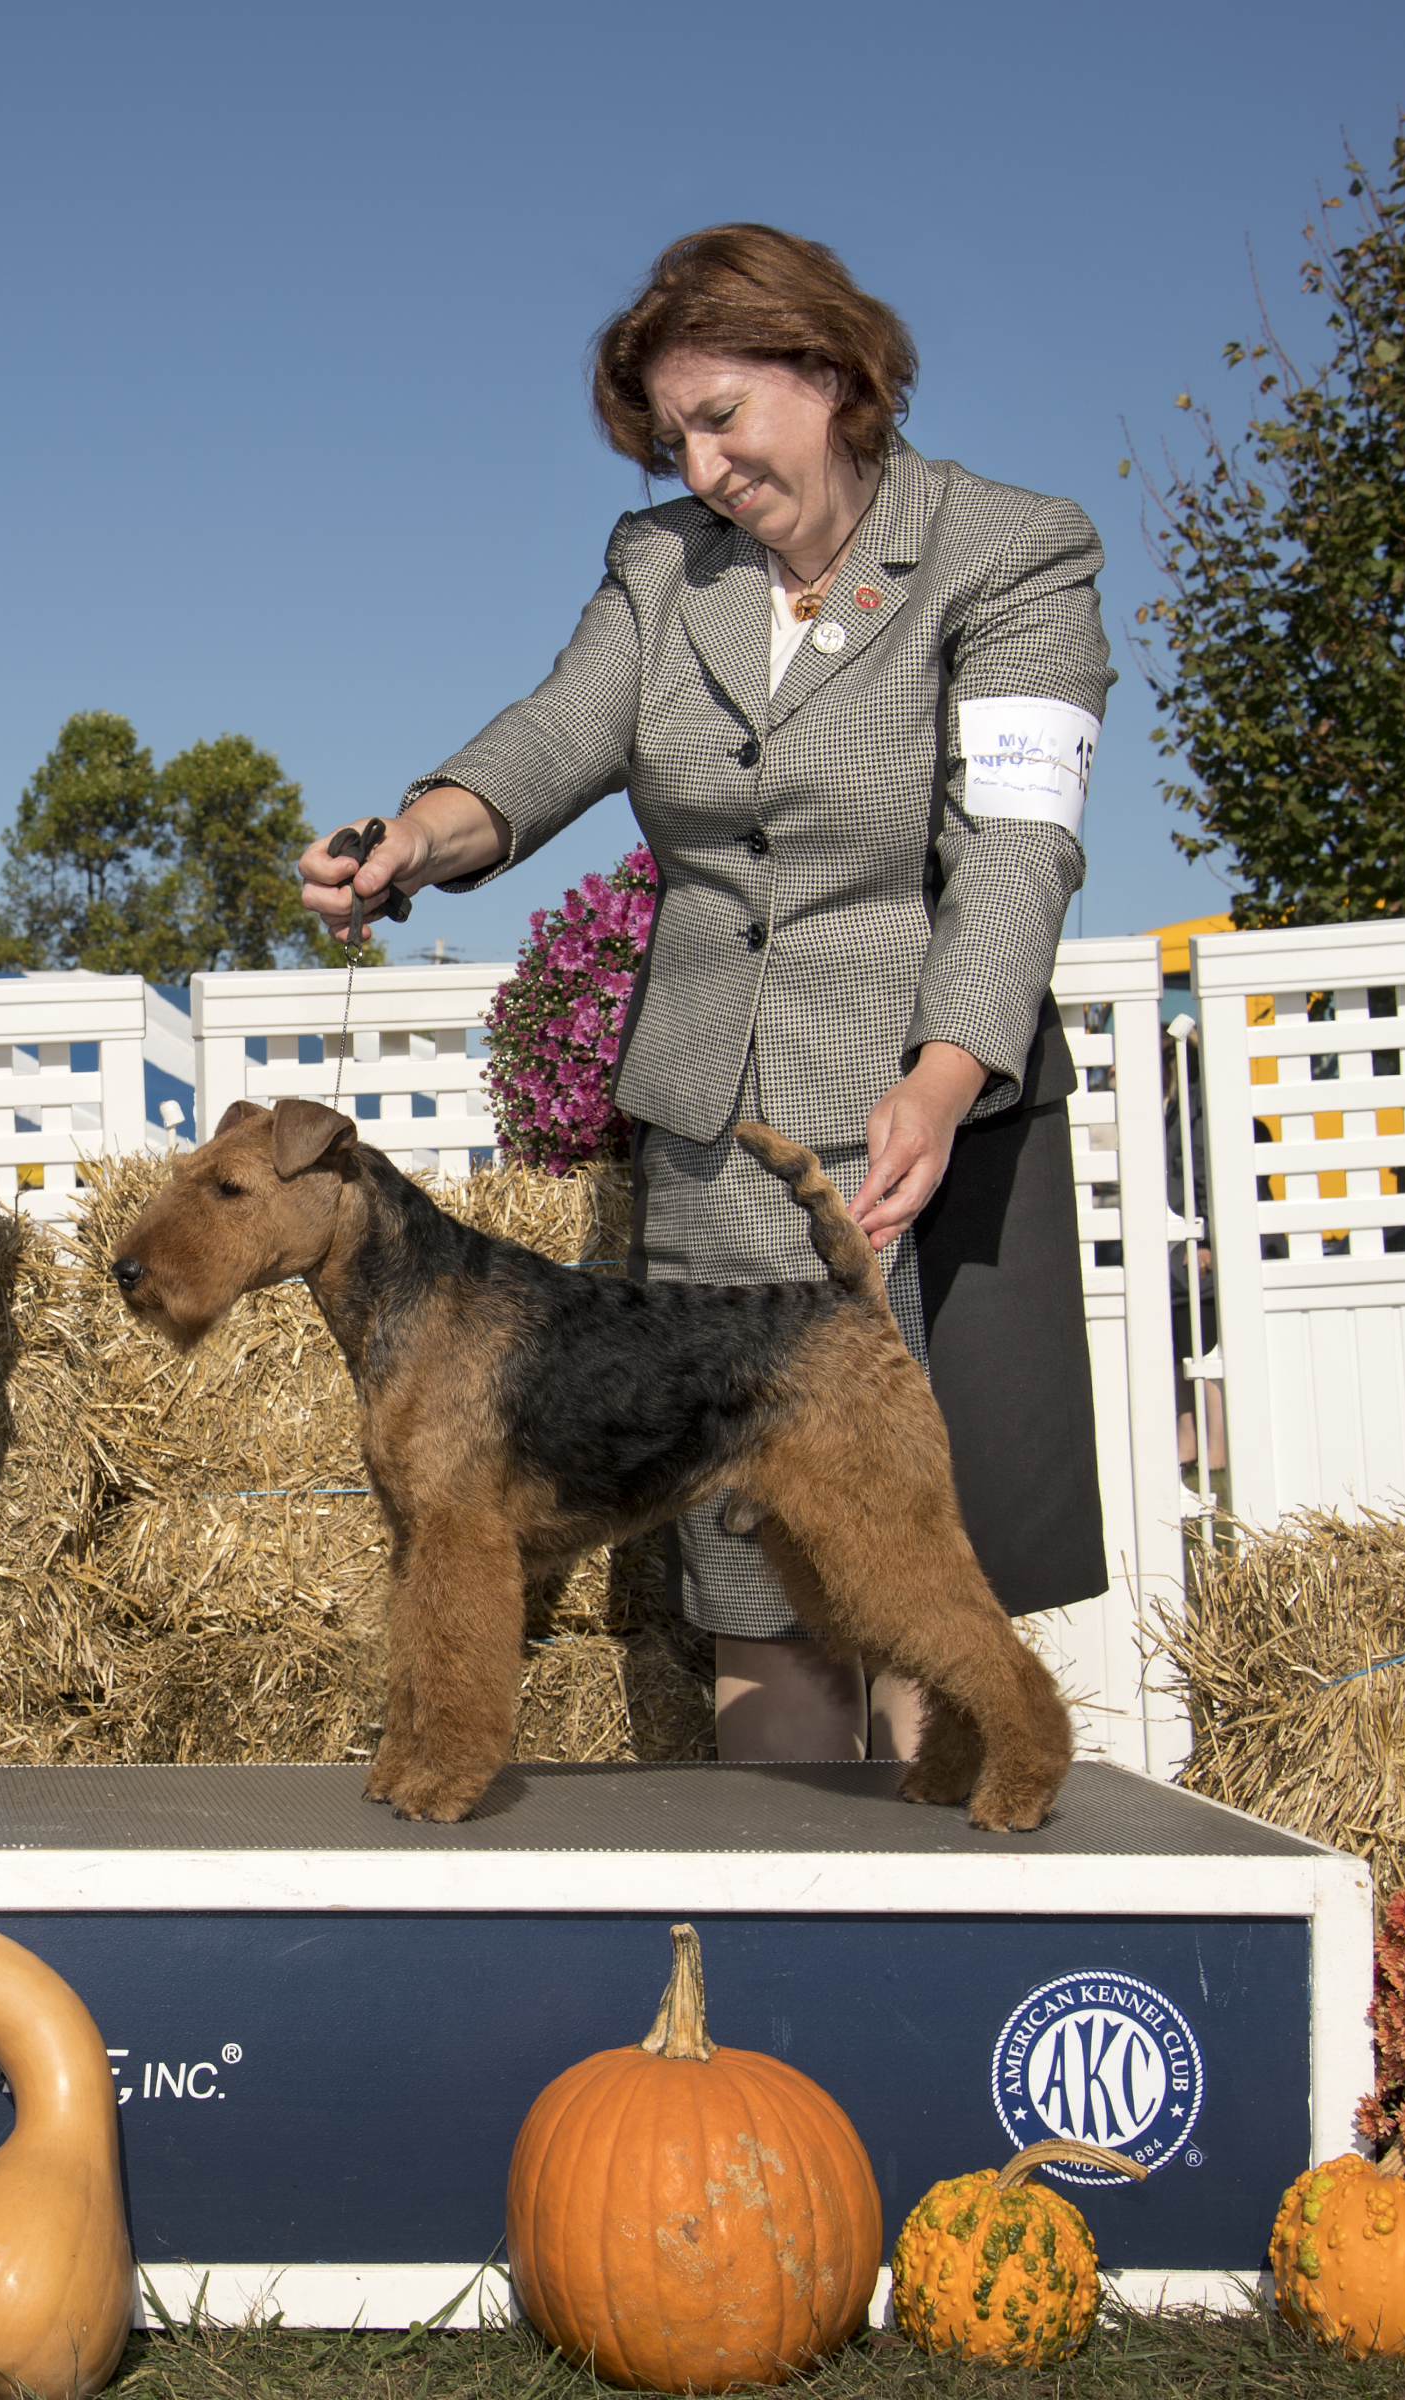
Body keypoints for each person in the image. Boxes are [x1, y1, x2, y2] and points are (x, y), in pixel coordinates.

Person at [301, 224, 1110, 1763]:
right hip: (724, 1135)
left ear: (831, 370)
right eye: (671, 436)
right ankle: (782, 1929)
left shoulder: (1011, 551)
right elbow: (555, 738)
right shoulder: (666, 569)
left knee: (925, 1570)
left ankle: (963, 1858)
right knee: (761, 1591)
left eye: (722, 416)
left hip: (931, 1114)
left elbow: (1018, 841)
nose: (702, 463)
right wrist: (414, 837)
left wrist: (944, 1075)